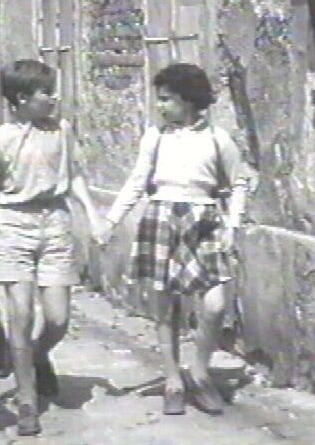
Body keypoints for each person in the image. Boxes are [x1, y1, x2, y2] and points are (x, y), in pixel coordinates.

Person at [97, 63, 255, 416]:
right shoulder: (155, 137)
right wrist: (110, 222)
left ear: (188, 99)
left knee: (214, 305)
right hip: (161, 219)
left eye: (167, 99)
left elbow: (239, 182)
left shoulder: (217, 139)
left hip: (205, 222)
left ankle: (199, 372)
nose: (161, 106)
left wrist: (233, 225)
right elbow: (137, 182)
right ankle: (172, 380)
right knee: (165, 309)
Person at [0, 59, 103, 436]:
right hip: (14, 226)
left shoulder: (61, 130)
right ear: (22, 98)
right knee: (21, 315)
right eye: (46, 92)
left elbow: (73, 178)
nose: (54, 97)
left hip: (56, 224)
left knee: (58, 319)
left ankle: (38, 354)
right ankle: (27, 400)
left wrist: (92, 217)